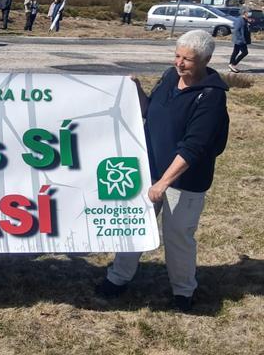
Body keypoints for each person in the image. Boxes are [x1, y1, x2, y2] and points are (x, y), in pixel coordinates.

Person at [97, 29, 229, 313]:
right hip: (150, 170)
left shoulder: (211, 97)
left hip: (185, 182)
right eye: (177, 56)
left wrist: (164, 183)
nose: (180, 64)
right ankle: (118, 278)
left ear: (205, 60)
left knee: (178, 234)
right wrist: (136, 92)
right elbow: (149, 112)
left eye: (188, 60)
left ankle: (183, 291)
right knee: (134, 225)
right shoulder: (170, 77)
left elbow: (194, 147)